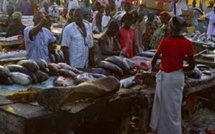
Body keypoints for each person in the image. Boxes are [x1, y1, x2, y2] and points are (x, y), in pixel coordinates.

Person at [149, 15, 195, 134]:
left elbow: (154, 61)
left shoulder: (165, 41)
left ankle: (163, 130)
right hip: (178, 77)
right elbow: (191, 66)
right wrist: (179, 68)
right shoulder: (187, 43)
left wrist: (154, 68)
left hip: (167, 78)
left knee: (165, 107)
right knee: (174, 108)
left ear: (171, 27)